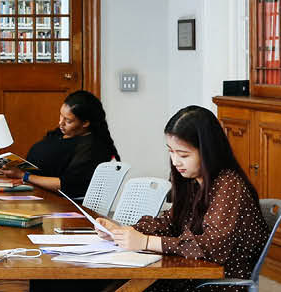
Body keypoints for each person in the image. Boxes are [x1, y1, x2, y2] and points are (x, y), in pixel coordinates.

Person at [98, 106, 270, 292]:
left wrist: (146, 242)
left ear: (207, 151)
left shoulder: (229, 185)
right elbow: (170, 222)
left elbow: (212, 247)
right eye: (171, 151)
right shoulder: (193, 180)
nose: (175, 161)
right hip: (189, 272)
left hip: (214, 283)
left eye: (183, 154)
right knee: (111, 283)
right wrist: (124, 233)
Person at [0, 90, 120, 199]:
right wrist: (8, 165)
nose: (60, 123)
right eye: (61, 115)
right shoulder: (61, 133)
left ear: (85, 123)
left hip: (59, 202)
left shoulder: (92, 147)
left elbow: (67, 186)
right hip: (33, 190)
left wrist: (24, 176)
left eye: (68, 120)